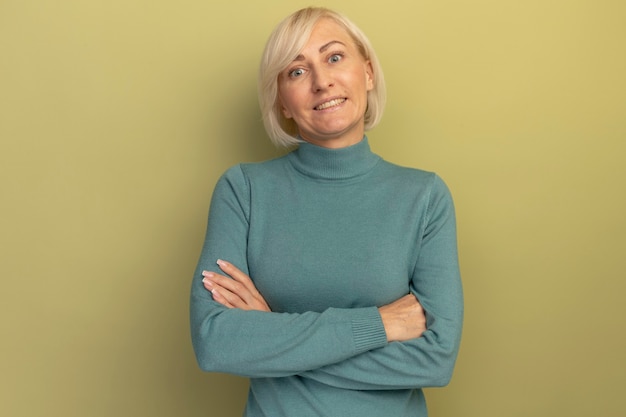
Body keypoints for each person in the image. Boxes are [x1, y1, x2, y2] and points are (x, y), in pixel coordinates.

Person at [190, 6, 463, 417]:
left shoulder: (423, 196)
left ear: (368, 73)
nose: (322, 81)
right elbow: (216, 342)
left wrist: (273, 339)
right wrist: (378, 325)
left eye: (334, 57)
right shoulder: (243, 190)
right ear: (282, 100)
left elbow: (435, 359)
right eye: (296, 72)